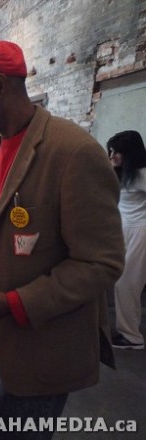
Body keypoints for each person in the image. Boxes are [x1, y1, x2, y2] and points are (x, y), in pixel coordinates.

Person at [0, 40, 125, 439]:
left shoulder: (73, 152)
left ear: (1, 85)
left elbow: (101, 263)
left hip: (39, 349)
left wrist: (13, 303)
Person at [107, 130, 146, 350]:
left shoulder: (142, 174)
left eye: (117, 152)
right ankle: (126, 330)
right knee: (117, 279)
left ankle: (132, 337)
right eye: (111, 151)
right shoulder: (121, 172)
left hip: (140, 231)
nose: (112, 156)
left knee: (127, 283)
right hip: (123, 229)